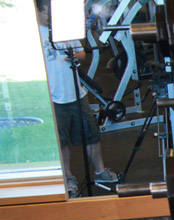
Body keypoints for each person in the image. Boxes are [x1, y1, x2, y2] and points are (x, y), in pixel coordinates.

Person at [36, 0, 118, 197]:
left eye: (51, 13)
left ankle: (100, 172)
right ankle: (68, 177)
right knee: (61, 141)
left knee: (91, 135)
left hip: (77, 93)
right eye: (46, 13)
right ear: (38, 12)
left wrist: (74, 55)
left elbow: (81, 53)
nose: (50, 18)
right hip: (53, 98)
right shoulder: (34, 35)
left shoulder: (63, 29)